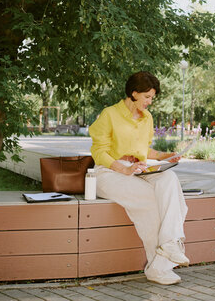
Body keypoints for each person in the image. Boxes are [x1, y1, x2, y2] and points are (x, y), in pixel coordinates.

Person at [89, 71, 189, 285]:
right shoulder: (109, 114)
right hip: (108, 172)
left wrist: (165, 156)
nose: (150, 102)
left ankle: (169, 244)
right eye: (147, 97)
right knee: (150, 199)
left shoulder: (147, 118)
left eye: (152, 97)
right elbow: (99, 152)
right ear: (133, 93)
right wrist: (123, 169)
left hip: (137, 168)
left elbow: (144, 150)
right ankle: (158, 265)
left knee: (169, 179)